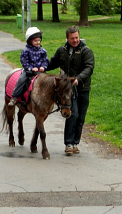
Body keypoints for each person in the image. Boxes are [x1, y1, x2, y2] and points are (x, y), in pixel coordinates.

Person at [47, 26, 94, 156]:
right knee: (72, 114)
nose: (75, 40)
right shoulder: (62, 50)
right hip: (68, 90)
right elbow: (51, 63)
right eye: (72, 38)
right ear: (67, 38)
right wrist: (40, 67)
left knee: (81, 117)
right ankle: (68, 144)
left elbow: (89, 68)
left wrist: (78, 79)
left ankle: (75, 143)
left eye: (77, 37)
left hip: (83, 88)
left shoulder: (86, 51)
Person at [10, 27, 49, 107]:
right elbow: (24, 61)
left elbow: (45, 60)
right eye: (35, 41)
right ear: (30, 41)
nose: (38, 42)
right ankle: (14, 97)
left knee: (49, 82)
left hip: (40, 72)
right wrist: (31, 68)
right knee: (21, 79)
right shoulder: (26, 51)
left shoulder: (43, 51)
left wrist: (43, 67)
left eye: (39, 40)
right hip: (29, 71)